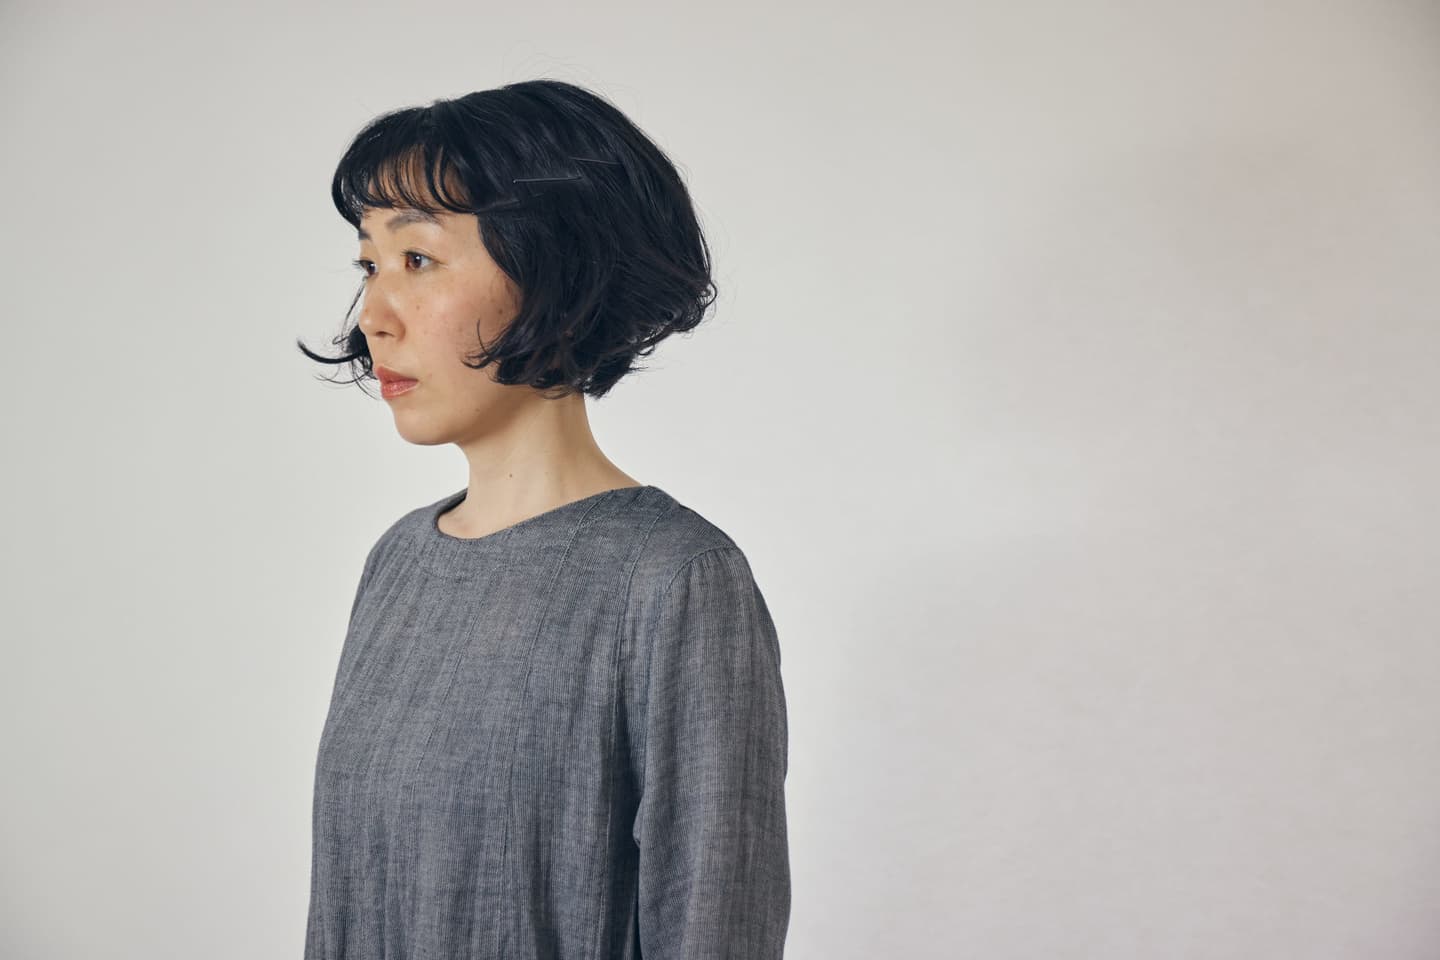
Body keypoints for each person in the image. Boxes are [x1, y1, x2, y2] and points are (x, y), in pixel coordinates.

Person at [294, 79, 791, 959]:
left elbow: (715, 922)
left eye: (418, 260)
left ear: (557, 274)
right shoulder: (398, 562)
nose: (373, 318)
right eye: (369, 265)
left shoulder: (675, 582)